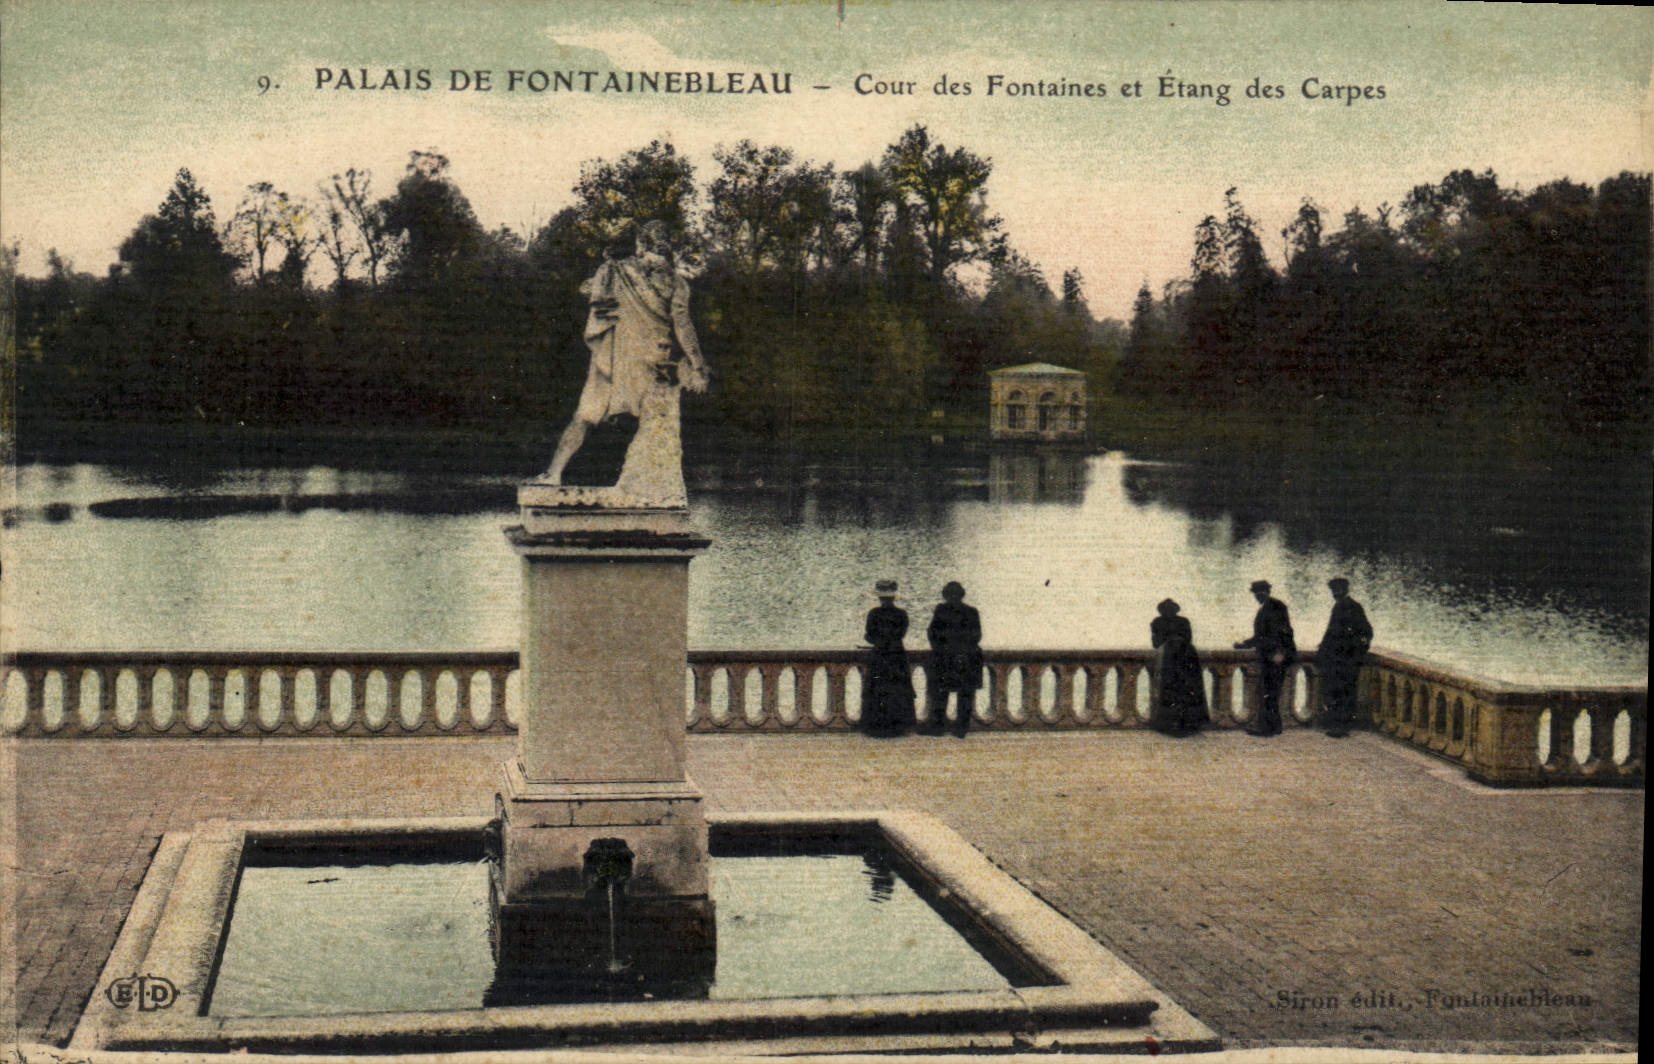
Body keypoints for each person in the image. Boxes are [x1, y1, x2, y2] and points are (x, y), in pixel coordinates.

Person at [543, 220, 710, 500]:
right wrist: (698, 364)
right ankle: (649, 491)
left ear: (640, 244)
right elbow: (683, 326)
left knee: (586, 416)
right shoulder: (675, 283)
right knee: (649, 426)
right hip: (652, 359)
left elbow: (588, 292)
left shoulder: (615, 270)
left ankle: (553, 474)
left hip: (619, 356)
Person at [921, 582, 983, 737]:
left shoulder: (941, 610)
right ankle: (962, 728)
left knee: (941, 693)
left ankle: (938, 726)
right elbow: (977, 636)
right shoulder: (972, 611)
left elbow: (932, 634)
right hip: (967, 657)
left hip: (945, 656)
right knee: (965, 694)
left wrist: (941, 648)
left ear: (945, 596)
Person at [1234, 580, 1295, 737]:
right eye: (1255, 594)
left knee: (1269, 691)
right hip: (1270, 655)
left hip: (1276, 656)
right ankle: (1275, 726)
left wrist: (1280, 652)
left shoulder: (1276, 606)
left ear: (1267, 591)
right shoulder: (1267, 607)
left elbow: (1284, 632)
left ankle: (1267, 728)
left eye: (1259, 593)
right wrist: (1244, 645)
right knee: (1270, 692)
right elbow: (1260, 636)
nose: (1257, 597)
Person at [1317, 577, 1373, 738]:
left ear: (1345, 590)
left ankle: (1342, 726)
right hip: (1337, 659)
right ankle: (1338, 725)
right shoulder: (1339, 607)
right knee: (1338, 692)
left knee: (1344, 693)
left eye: (1338, 590)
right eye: (1333, 591)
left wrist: (1358, 653)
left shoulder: (1354, 607)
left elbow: (1367, 632)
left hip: (1347, 660)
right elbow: (1331, 634)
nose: (1335, 594)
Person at [860, 580, 915, 737]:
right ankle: (897, 726)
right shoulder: (902, 614)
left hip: (880, 655)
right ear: (894, 597)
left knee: (879, 689)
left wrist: (878, 639)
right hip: (897, 655)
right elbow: (902, 634)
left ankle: (878, 726)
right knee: (897, 689)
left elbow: (869, 636)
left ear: (879, 597)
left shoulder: (874, 614)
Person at [1148, 599, 1208, 735]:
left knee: (1172, 690)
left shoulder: (1158, 622)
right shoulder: (1183, 621)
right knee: (1185, 690)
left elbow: (1156, 643)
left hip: (1172, 660)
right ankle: (1187, 723)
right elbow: (1188, 638)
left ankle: (1172, 723)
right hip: (1186, 658)